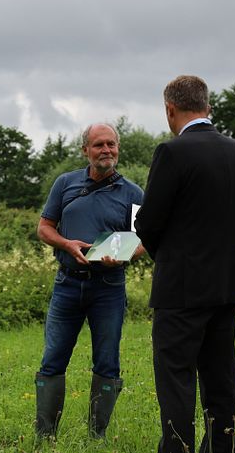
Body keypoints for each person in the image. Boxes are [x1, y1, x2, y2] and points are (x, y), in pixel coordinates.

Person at [134, 75, 235, 453]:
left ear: (170, 109)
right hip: (227, 286)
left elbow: (147, 223)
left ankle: (178, 449)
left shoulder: (172, 153)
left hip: (182, 290)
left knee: (176, 379)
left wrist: (168, 254)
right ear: (207, 106)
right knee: (221, 378)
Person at [34, 122, 145, 440]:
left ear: (118, 149)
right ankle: (45, 437)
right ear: (85, 150)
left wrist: (124, 256)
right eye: (99, 145)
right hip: (67, 284)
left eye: (111, 144)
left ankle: (97, 437)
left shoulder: (134, 193)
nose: (106, 150)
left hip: (109, 288)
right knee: (53, 358)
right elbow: (45, 228)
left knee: (107, 361)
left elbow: (144, 240)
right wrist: (66, 244)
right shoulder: (65, 184)